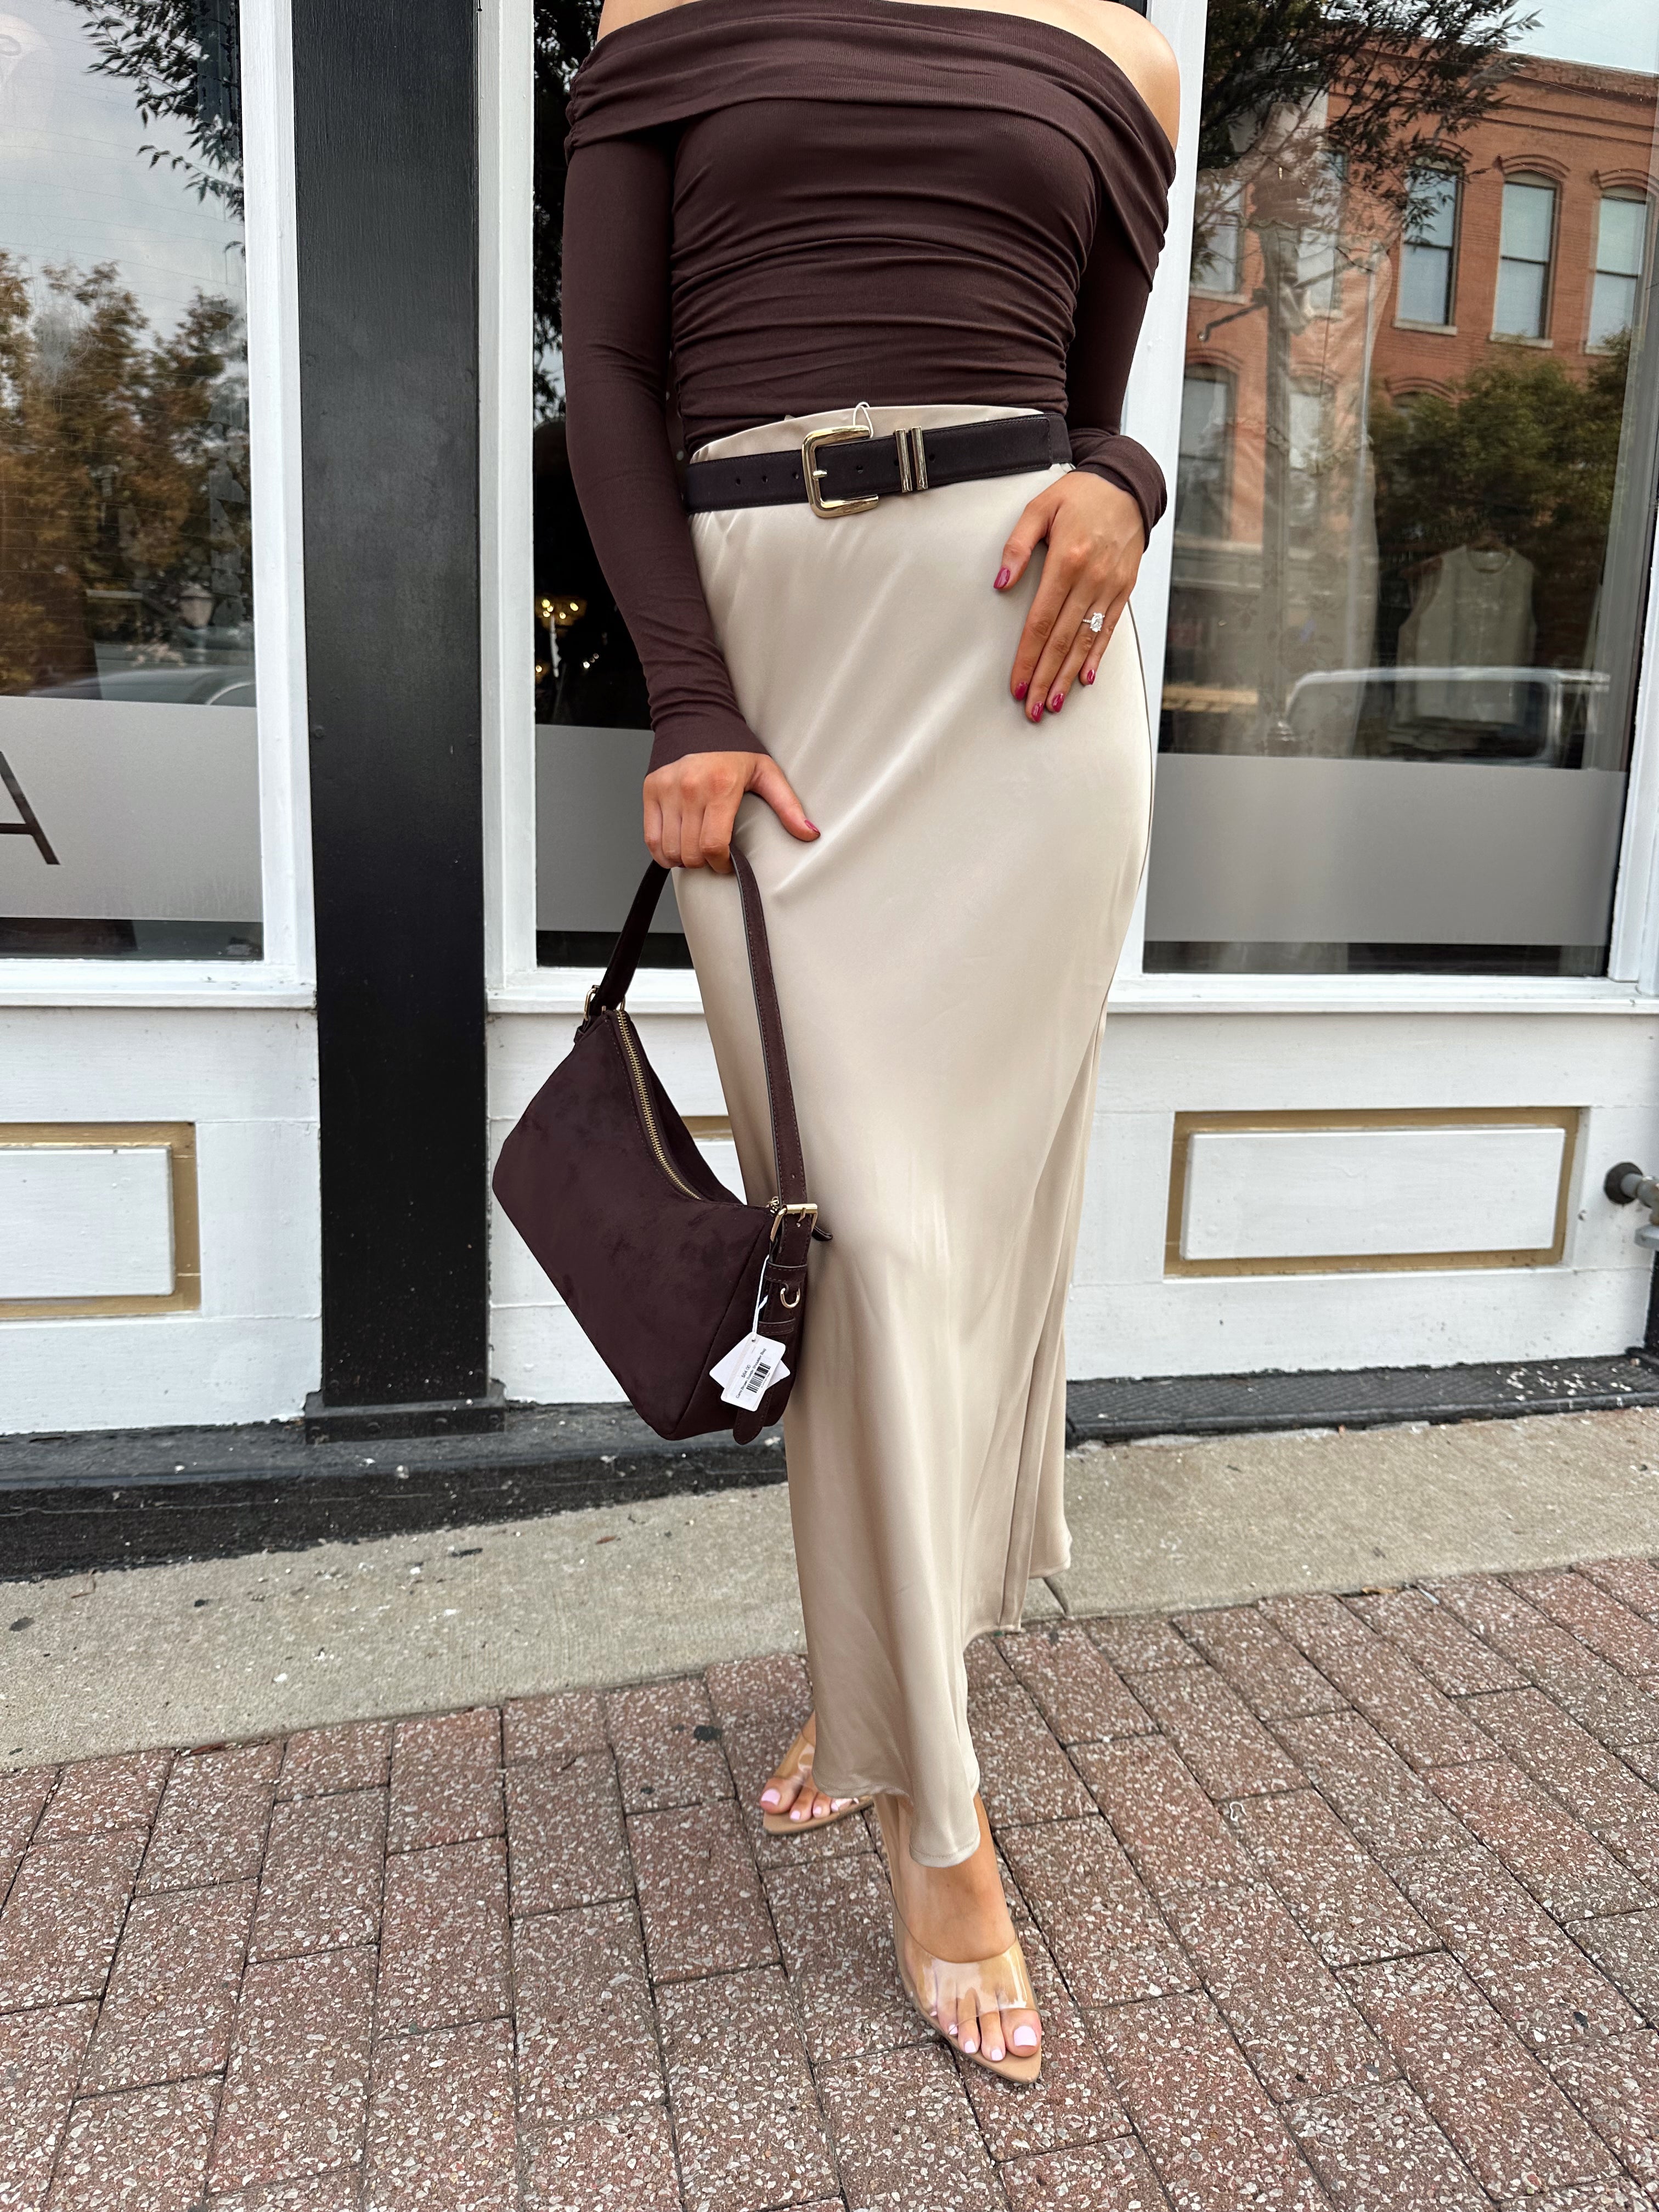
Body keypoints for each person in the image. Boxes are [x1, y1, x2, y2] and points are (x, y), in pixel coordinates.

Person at [562, 0, 1179, 2081]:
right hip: (775, 662)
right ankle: (942, 1817)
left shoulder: (1121, 46)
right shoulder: (663, 12)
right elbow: (618, 373)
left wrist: (1135, 476)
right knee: (867, 1236)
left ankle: (894, 1704)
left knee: (983, 1226)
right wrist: (685, 700)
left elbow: (1101, 404)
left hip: (1023, 664)